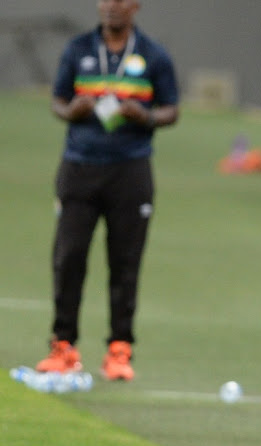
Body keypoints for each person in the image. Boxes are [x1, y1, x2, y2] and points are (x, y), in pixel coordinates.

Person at [35, 0, 179, 381]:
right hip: (79, 166)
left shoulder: (152, 54)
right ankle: (62, 346)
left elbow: (172, 109)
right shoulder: (79, 48)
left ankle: (119, 349)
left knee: (125, 263)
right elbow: (57, 99)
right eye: (104, 0)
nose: (110, 7)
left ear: (135, 6)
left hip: (130, 170)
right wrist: (70, 111)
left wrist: (144, 116)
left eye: (119, 1)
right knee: (68, 258)